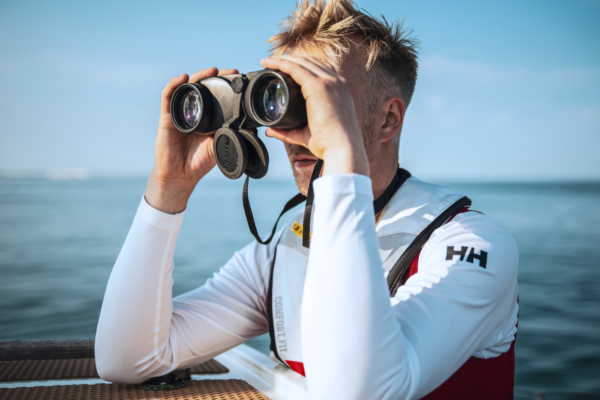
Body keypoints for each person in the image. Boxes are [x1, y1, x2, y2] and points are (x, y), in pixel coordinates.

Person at [95, 1, 519, 399]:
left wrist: (341, 159)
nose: (293, 127)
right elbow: (128, 359)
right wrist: (168, 187)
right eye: (287, 97)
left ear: (388, 119)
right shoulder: (286, 247)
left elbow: (359, 392)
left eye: (321, 98)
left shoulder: (472, 244)